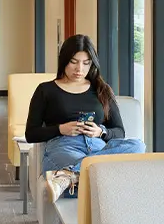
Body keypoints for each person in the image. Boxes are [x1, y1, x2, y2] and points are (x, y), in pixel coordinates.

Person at [25, 34, 144, 200]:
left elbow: (119, 132)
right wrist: (61, 129)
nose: (79, 69)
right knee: (99, 172)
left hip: (98, 147)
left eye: (86, 63)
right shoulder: (46, 90)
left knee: (138, 145)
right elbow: (31, 134)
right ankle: (77, 173)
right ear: (64, 60)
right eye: (74, 62)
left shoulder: (102, 89)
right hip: (63, 147)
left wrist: (100, 132)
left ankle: (68, 175)